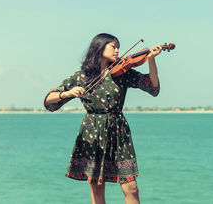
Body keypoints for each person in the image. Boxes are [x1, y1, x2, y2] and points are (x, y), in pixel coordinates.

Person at [44, 33, 162, 204]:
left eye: (118, 47)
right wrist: (68, 93)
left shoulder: (123, 72)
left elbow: (153, 86)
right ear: (99, 47)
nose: (117, 50)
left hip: (119, 132)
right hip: (93, 132)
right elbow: (49, 100)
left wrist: (151, 59)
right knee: (97, 187)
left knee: (131, 187)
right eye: (113, 46)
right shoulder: (81, 76)